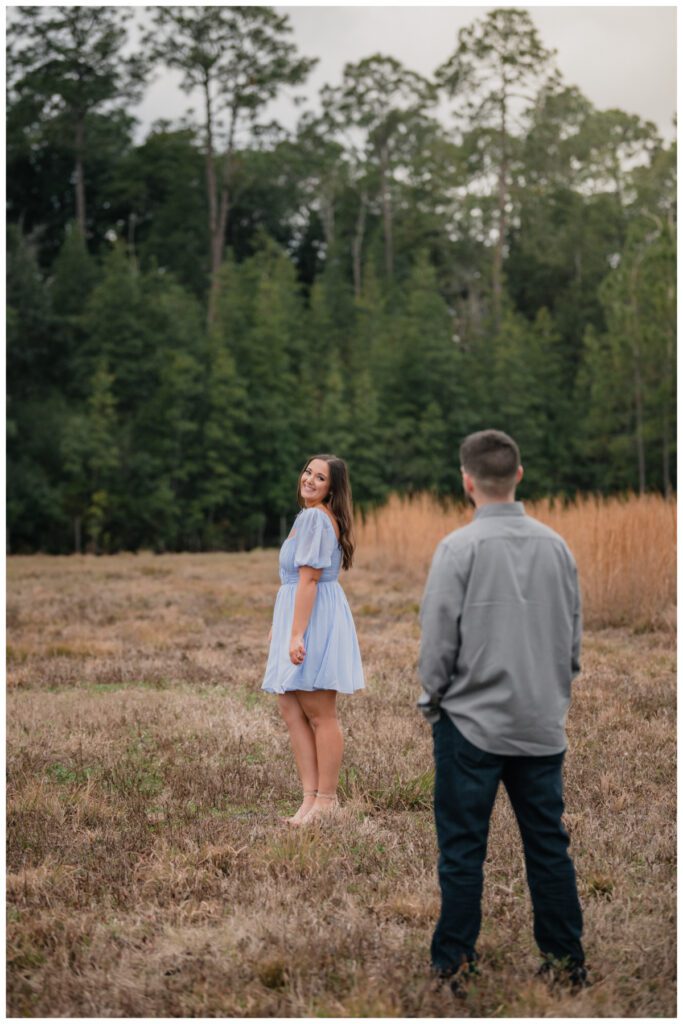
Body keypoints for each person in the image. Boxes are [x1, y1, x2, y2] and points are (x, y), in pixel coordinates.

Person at [418, 429, 587, 993]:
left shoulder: (457, 549)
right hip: (540, 724)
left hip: (470, 725)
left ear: (466, 482)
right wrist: (551, 695)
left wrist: (433, 700)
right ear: (519, 475)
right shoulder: (557, 547)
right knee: (547, 845)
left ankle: (454, 963)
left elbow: (438, 643)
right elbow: (572, 643)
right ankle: (566, 962)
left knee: (463, 850)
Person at [262, 454, 365, 825]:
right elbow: (294, 584)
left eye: (319, 477)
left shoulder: (315, 518)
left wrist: (297, 633)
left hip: (314, 619)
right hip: (301, 614)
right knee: (290, 709)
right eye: (307, 471)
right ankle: (309, 798)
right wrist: (282, 624)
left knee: (320, 713)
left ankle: (326, 800)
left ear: (331, 488)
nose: (309, 479)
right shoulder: (310, 517)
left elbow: (308, 579)